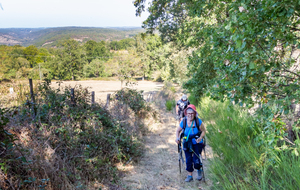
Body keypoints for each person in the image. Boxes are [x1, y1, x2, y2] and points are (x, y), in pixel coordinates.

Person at [175, 104, 206, 182]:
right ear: (186, 113)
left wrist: (200, 138)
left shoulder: (198, 121)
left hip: (197, 142)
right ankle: (190, 175)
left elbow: (203, 131)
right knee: (188, 159)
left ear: (195, 113)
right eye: (188, 113)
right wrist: (177, 138)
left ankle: (199, 170)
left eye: (192, 113)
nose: (190, 115)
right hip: (187, 142)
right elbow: (178, 131)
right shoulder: (184, 121)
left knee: (196, 160)